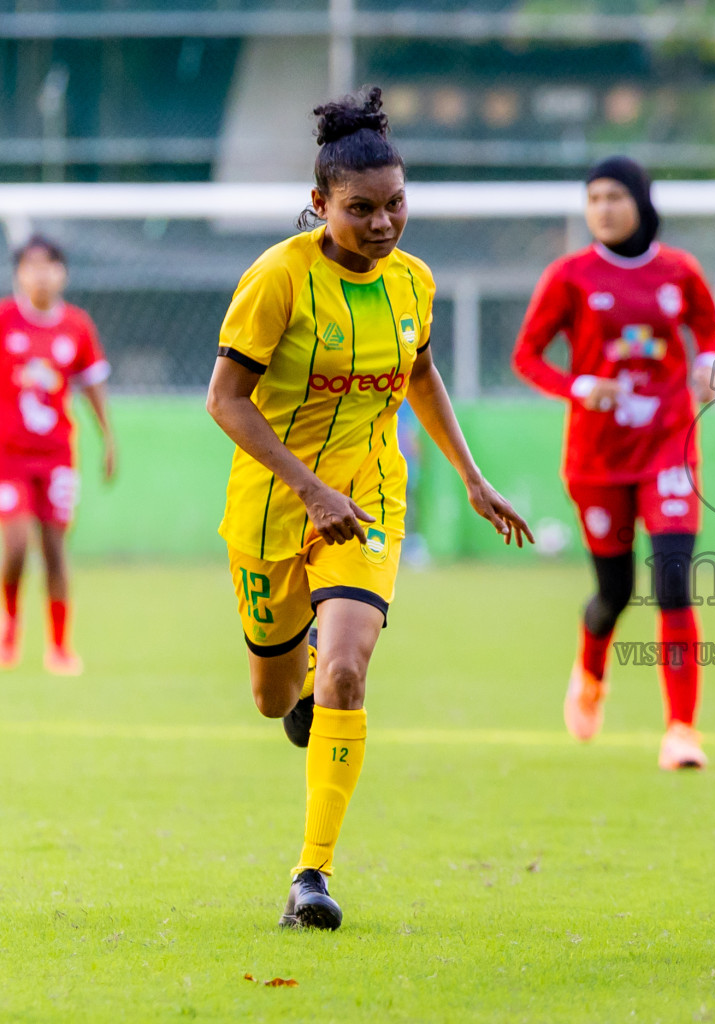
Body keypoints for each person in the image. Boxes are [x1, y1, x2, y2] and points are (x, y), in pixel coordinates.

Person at [205, 87, 533, 931]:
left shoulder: (412, 283)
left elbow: (419, 375)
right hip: (276, 509)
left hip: (373, 498)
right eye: (361, 210)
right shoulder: (277, 279)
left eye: (395, 206)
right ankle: (302, 675)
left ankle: (310, 874)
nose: (383, 224)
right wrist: (310, 489)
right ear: (319, 205)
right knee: (276, 700)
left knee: (349, 669)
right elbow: (226, 400)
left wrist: (470, 474)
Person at [513, 156, 715, 771]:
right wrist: (580, 387)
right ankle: (592, 666)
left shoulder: (679, 271)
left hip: (668, 446)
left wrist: (708, 364)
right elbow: (528, 356)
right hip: (597, 458)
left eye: (614, 196)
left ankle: (682, 730)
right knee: (615, 592)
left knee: (674, 583)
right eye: (593, 197)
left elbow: (710, 328)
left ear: (640, 200)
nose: (602, 208)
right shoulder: (569, 276)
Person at [0, 236, 114, 675]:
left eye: (49, 265)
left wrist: (108, 439)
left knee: (54, 549)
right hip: (9, 457)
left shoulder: (76, 326)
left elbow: (92, 384)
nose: (40, 274)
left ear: (62, 272)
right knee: (13, 547)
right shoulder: (5, 320)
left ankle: (60, 647)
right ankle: (10, 627)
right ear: (19, 274)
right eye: (31, 266)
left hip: (57, 458)